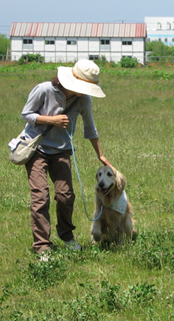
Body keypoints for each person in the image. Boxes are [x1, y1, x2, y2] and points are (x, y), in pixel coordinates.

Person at [20, 60, 110, 258]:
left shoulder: (83, 100)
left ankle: (67, 236)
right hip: (37, 148)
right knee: (40, 197)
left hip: (61, 151)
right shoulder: (44, 90)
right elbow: (26, 114)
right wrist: (51, 120)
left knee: (65, 195)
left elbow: (90, 128)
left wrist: (100, 155)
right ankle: (42, 246)